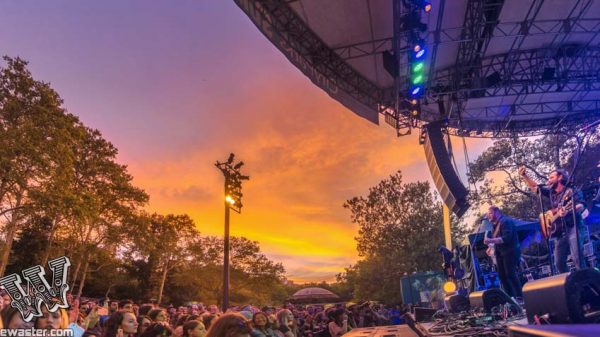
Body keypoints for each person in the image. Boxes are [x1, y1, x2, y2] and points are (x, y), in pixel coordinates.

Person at [520, 166, 586, 273]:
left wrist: (568, 210)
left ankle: (586, 283)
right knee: (558, 263)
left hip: (574, 227)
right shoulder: (551, 193)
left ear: (559, 177)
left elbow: (581, 205)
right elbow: (535, 187)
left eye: (551, 177)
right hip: (560, 233)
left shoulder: (571, 190)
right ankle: (568, 284)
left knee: (577, 258)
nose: (548, 180)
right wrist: (524, 176)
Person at [483, 206, 522, 298]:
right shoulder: (495, 225)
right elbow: (497, 240)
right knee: (502, 276)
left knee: (510, 274)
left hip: (510, 252)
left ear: (497, 213)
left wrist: (490, 241)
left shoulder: (505, 221)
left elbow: (506, 238)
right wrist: (491, 247)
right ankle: (510, 298)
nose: (488, 216)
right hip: (501, 253)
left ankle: (520, 297)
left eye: (490, 213)